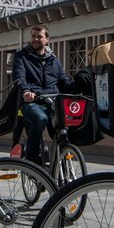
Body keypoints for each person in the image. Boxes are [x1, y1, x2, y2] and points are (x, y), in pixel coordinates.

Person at [11, 25, 74, 165]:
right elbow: (19, 77)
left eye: (39, 36)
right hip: (31, 102)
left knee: (62, 131)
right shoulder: (22, 57)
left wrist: (77, 87)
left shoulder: (54, 60)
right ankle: (32, 159)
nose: (35, 39)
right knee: (40, 118)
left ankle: (63, 166)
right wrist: (26, 91)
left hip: (52, 102)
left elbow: (63, 81)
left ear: (47, 39)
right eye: (33, 36)